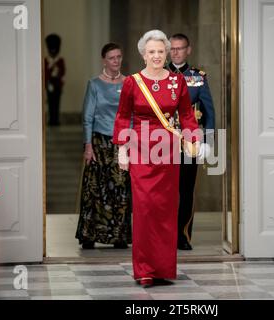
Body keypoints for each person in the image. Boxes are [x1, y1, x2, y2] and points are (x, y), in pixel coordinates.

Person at [113, 30, 203, 288]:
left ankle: (163, 268)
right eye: (151, 52)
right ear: (143, 54)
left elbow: (186, 114)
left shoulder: (177, 81)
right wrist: (122, 149)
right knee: (144, 209)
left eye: (160, 52)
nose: (156, 56)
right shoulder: (133, 82)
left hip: (168, 149)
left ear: (167, 54)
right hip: (141, 148)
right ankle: (144, 270)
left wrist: (193, 140)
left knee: (165, 209)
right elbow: (122, 116)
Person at [75, 43, 132, 250]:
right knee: (95, 188)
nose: (116, 61)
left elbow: (132, 116)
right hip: (99, 142)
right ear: (104, 60)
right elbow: (87, 117)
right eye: (111, 58)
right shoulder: (94, 84)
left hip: (122, 143)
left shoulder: (129, 83)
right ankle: (90, 235)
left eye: (118, 57)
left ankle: (119, 235)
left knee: (120, 188)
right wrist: (88, 145)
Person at [167, 33, 216, 251]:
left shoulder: (197, 77)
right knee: (164, 191)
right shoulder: (159, 75)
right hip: (162, 143)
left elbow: (209, 112)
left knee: (186, 189)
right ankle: (164, 235)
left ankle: (183, 235)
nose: (176, 52)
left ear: (189, 49)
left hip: (189, 143)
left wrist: (207, 140)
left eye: (180, 48)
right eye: (172, 48)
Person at [44, 34, 66, 126]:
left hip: (57, 85)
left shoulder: (60, 60)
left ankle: (55, 119)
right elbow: (45, 72)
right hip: (49, 84)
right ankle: (51, 119)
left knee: (57, 102)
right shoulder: (46, 60)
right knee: (50, 102)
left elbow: (63, 71)